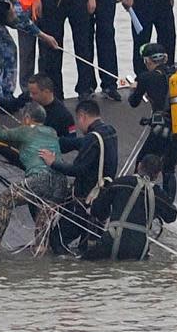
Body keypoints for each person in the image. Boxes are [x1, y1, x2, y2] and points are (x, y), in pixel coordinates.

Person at [0, 102, 69, 251]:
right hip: (61, 182)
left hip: (40, 178)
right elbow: (28, 143)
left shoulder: (26, 130)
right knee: (43, 211)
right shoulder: (51, 131)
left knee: (6, 199)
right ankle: (40, 247)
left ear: (27, 118)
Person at [0, 73, 75, 192]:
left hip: (40, 159)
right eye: (30, 92)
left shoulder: (63, 115)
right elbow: (11, 105)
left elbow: (71, 142)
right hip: (23, 146)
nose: (31, 96)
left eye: (35, 93)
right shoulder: (29, 97)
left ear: (47, 92)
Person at [39, 100, 118, 254]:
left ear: (82, 116)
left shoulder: (91, 138)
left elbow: (77, 169)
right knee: (87, 247)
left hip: (84, 203)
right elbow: (82, 145)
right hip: (102, 201)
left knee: (57, 239)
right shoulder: (110, 131)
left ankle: (64, 273)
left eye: (78, 120)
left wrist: (53, 162)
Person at [85, 154, 177, 261]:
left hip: (112, 240)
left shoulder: (119, 183)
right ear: (157, 175)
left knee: (84, 262)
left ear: (139, 166)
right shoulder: (158, 194)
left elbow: (97, 210)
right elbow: (171, 216)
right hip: (139, 248)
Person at [128, 43, 177, 203]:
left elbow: (133, 102)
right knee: (168, 169)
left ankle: (139, 203)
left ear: (148, 61)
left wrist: (135, 88)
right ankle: (168, 205)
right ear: (166, 58)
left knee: (142, 165)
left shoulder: (145, 77)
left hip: (161, 132)